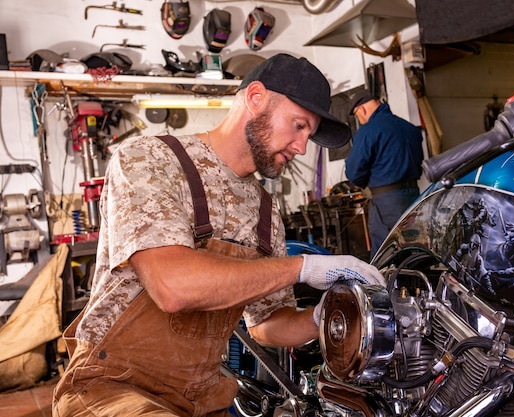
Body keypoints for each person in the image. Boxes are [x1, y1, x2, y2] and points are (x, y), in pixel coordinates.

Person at [52, 53, 385, 417]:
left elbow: (266, 324)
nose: (302, 147)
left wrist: (318, 318)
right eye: (299, 126)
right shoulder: (151, 159)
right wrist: (302, 267)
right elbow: (172, 286)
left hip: (202, 397)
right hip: (115, 388)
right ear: (256, 98)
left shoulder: (264, 210)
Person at [345, 89, 424, 259]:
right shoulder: (410, 129)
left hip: (386, 203)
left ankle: (387, 287)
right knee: (415, 251)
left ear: (362, 110)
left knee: (386, 257)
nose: (361, 121)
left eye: (358, 116)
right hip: (415, 198)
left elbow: (354, 173)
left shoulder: (368, 132)